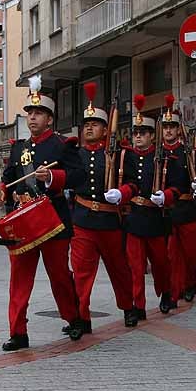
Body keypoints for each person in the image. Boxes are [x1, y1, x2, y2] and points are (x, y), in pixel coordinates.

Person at [0, 78, 86, 343]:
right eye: (30, 113)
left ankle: (74, 318)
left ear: (50, 120)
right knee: (19, 279)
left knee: (59, 276)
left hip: (52, 219)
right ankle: (18, 332)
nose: (32, 118)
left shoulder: (61, 145)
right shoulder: (18, 148)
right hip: (24, 221)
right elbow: (8, 177)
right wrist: (0, 191)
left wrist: (52, 177)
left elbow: (79, 176)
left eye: (38, 114)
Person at [56, 83, 132, 342]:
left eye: (95, 124)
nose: (89, 127)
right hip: (83, 220)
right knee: (81, 273)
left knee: (119, 269)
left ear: (104, 129)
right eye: (86, 124)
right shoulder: (74, 154)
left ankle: (128, 306)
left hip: (110, 220)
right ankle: (81, 318)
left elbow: (132, 182)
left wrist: (122, 193)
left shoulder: (117, 154)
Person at [107, 96, 172, 324]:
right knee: (135, 266)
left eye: (142, 133)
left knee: (161, 263)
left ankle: (165, 292)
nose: (137, 136)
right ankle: (138, 306)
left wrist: (166, 196)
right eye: (135, 133)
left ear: (152, 135)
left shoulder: (162, 157)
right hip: (135, 216)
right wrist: (120, 193)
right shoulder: (127, 156)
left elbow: (175, 185)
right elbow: (124, 180)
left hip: (155, 217)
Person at [160, 95, 196, 304]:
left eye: (172, 126)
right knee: (170, 255)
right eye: (165, 126)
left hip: (187, 208)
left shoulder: (189, 152)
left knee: (190, 254)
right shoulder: (157, 153)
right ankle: (173, 290)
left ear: (179, 129)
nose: (168, 130)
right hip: (166, 211)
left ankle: (189, 284)